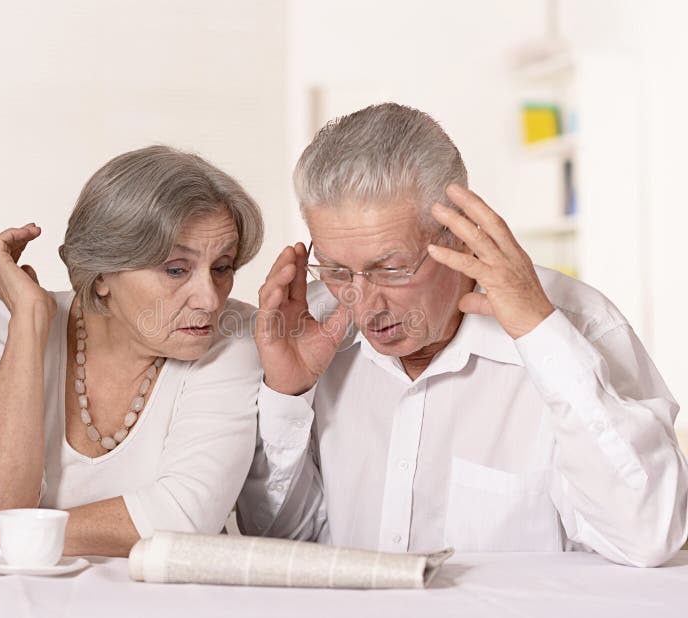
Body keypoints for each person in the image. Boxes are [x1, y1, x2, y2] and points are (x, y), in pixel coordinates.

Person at [237, 103, 688, 567]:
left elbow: (648, 536)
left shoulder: (579, 325)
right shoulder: (309, 328)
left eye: (390, 269)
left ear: (459, 237)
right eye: (335, 270)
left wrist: (542, 338)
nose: (362, 303)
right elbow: (280, 542)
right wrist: (286, 394)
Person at [0, 145, 264, 556]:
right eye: (176, 269)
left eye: (222, 266)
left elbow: (183, 518)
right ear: (102, 273)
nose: (210, 300)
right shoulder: (10, 318)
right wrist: (31, 322)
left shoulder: (235, 334)